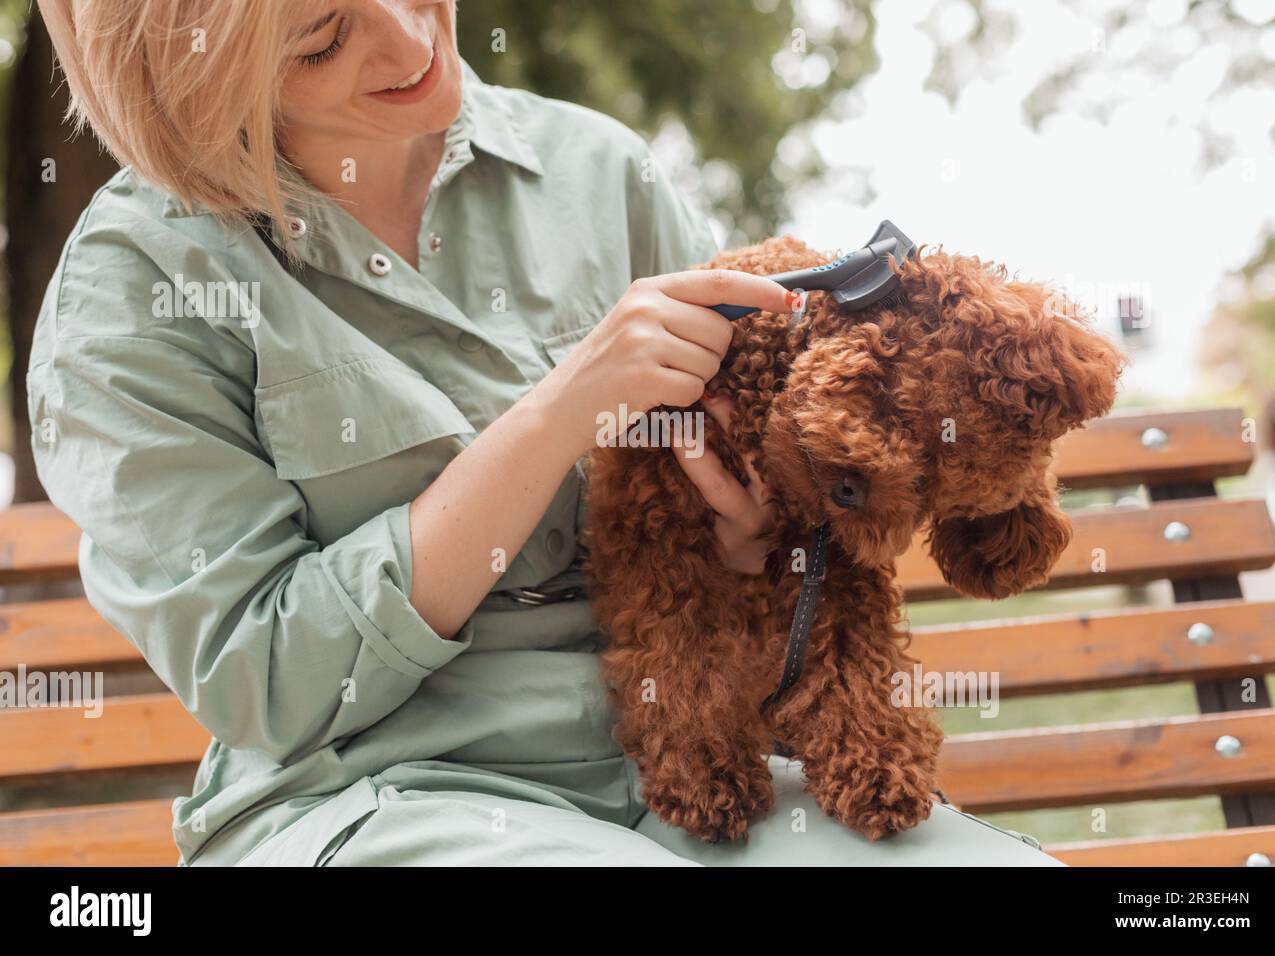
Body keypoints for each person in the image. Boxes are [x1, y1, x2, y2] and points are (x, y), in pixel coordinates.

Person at [30, 0, 1059, 866]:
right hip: (375, 795)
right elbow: (265, 680)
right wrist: (557, 414)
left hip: (694, 769)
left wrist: (755, 540)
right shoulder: (137, 288)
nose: (405, 41)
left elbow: (756, 515)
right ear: (194, 84)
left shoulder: (594, 169)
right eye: (319, 40)